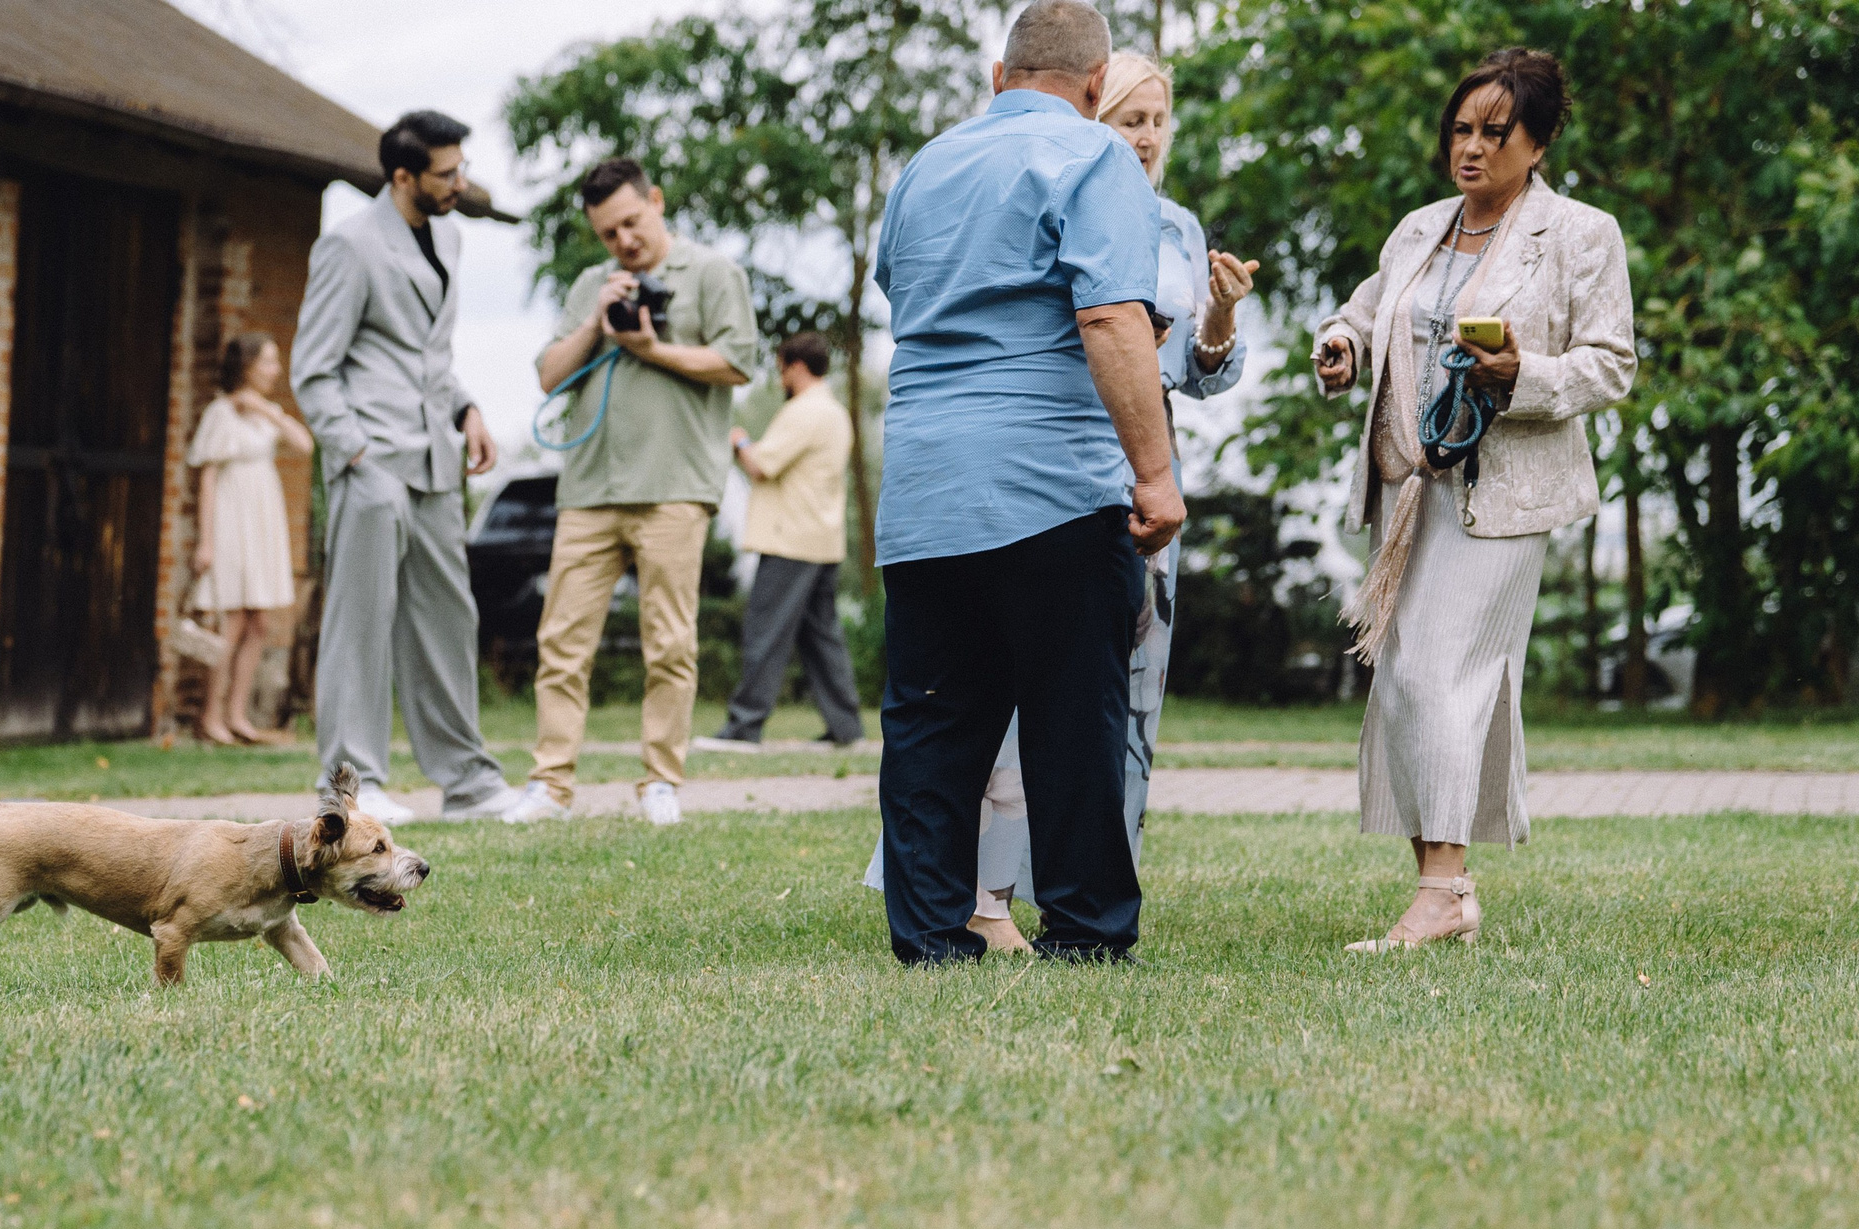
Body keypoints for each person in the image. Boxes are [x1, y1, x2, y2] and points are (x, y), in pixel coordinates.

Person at [867, 50, 1261, 952]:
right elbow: (1109, 316)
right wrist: (1156, 477)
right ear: (1093, 87)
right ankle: (1083, 928)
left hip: (928, 480)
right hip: (1055, 481)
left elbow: (899, 289)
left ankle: (930, 935)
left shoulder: (927, 162)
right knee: (1075, 713)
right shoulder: (1097, 160)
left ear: (1001, 70)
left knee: (932, 716)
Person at [1313, 47, 1633, 951]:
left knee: (1435, 672)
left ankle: (1445, 889)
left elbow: (1612, 364)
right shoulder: (1418, 229)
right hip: (1407, 484)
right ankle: (1438, 884)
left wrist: (1520, 372)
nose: (1474, 148)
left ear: (1540, 141)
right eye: (1462, 128)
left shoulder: (1579, 234)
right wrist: (1341, 341)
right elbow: (1370, 310)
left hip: (1502, 498)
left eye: (1498, 132)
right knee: (1410, 678)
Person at [501, 157, 760, 828]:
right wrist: (597, 318)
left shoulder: (712, 272)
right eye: (609, 233)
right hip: (588, 488)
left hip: (675, 488)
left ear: (657, 200)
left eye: (631, 222)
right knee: (561, 642)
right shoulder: (594, 282)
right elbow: (549, 375)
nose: (624, 241)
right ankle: (550, 786)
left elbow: (736, 362)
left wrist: (651, 348)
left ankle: (659, 783)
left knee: (669, 643)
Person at [291, 109, 522, 827]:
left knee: (449, 618)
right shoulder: (348, 246)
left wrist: (468, 410)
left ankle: (470, 782)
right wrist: (354, 452)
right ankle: (350, 787)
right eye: (446, 173)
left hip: (434, 458)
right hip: (372, 464)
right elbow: (314, 369)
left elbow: (429, 358)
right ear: (403, 176)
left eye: (462, 168)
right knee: (361, 624)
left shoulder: (449, 236)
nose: (462, 183)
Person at [696, 331, 864, 752]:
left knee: (764, 633)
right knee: (822, 639)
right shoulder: (836, 411)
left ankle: (744, 728)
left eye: (781, 368)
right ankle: (846, 729)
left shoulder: (804, 411)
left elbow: (760, 466)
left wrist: (739, 439)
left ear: (796, 366)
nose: (779, 377)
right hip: (823, 539)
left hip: (791, 539)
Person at [188, 333, 311, 746]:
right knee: (233, 619)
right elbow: (206, 479)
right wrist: (205, 541)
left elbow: (305, 444)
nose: (276, 371)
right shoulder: (220, 414)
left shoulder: (266, 412)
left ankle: (238, 714)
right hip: (230, 523)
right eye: (269, 362)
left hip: (263, 523)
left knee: (259, 621)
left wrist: (264, 409)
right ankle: (211, 715)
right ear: (248, 366)